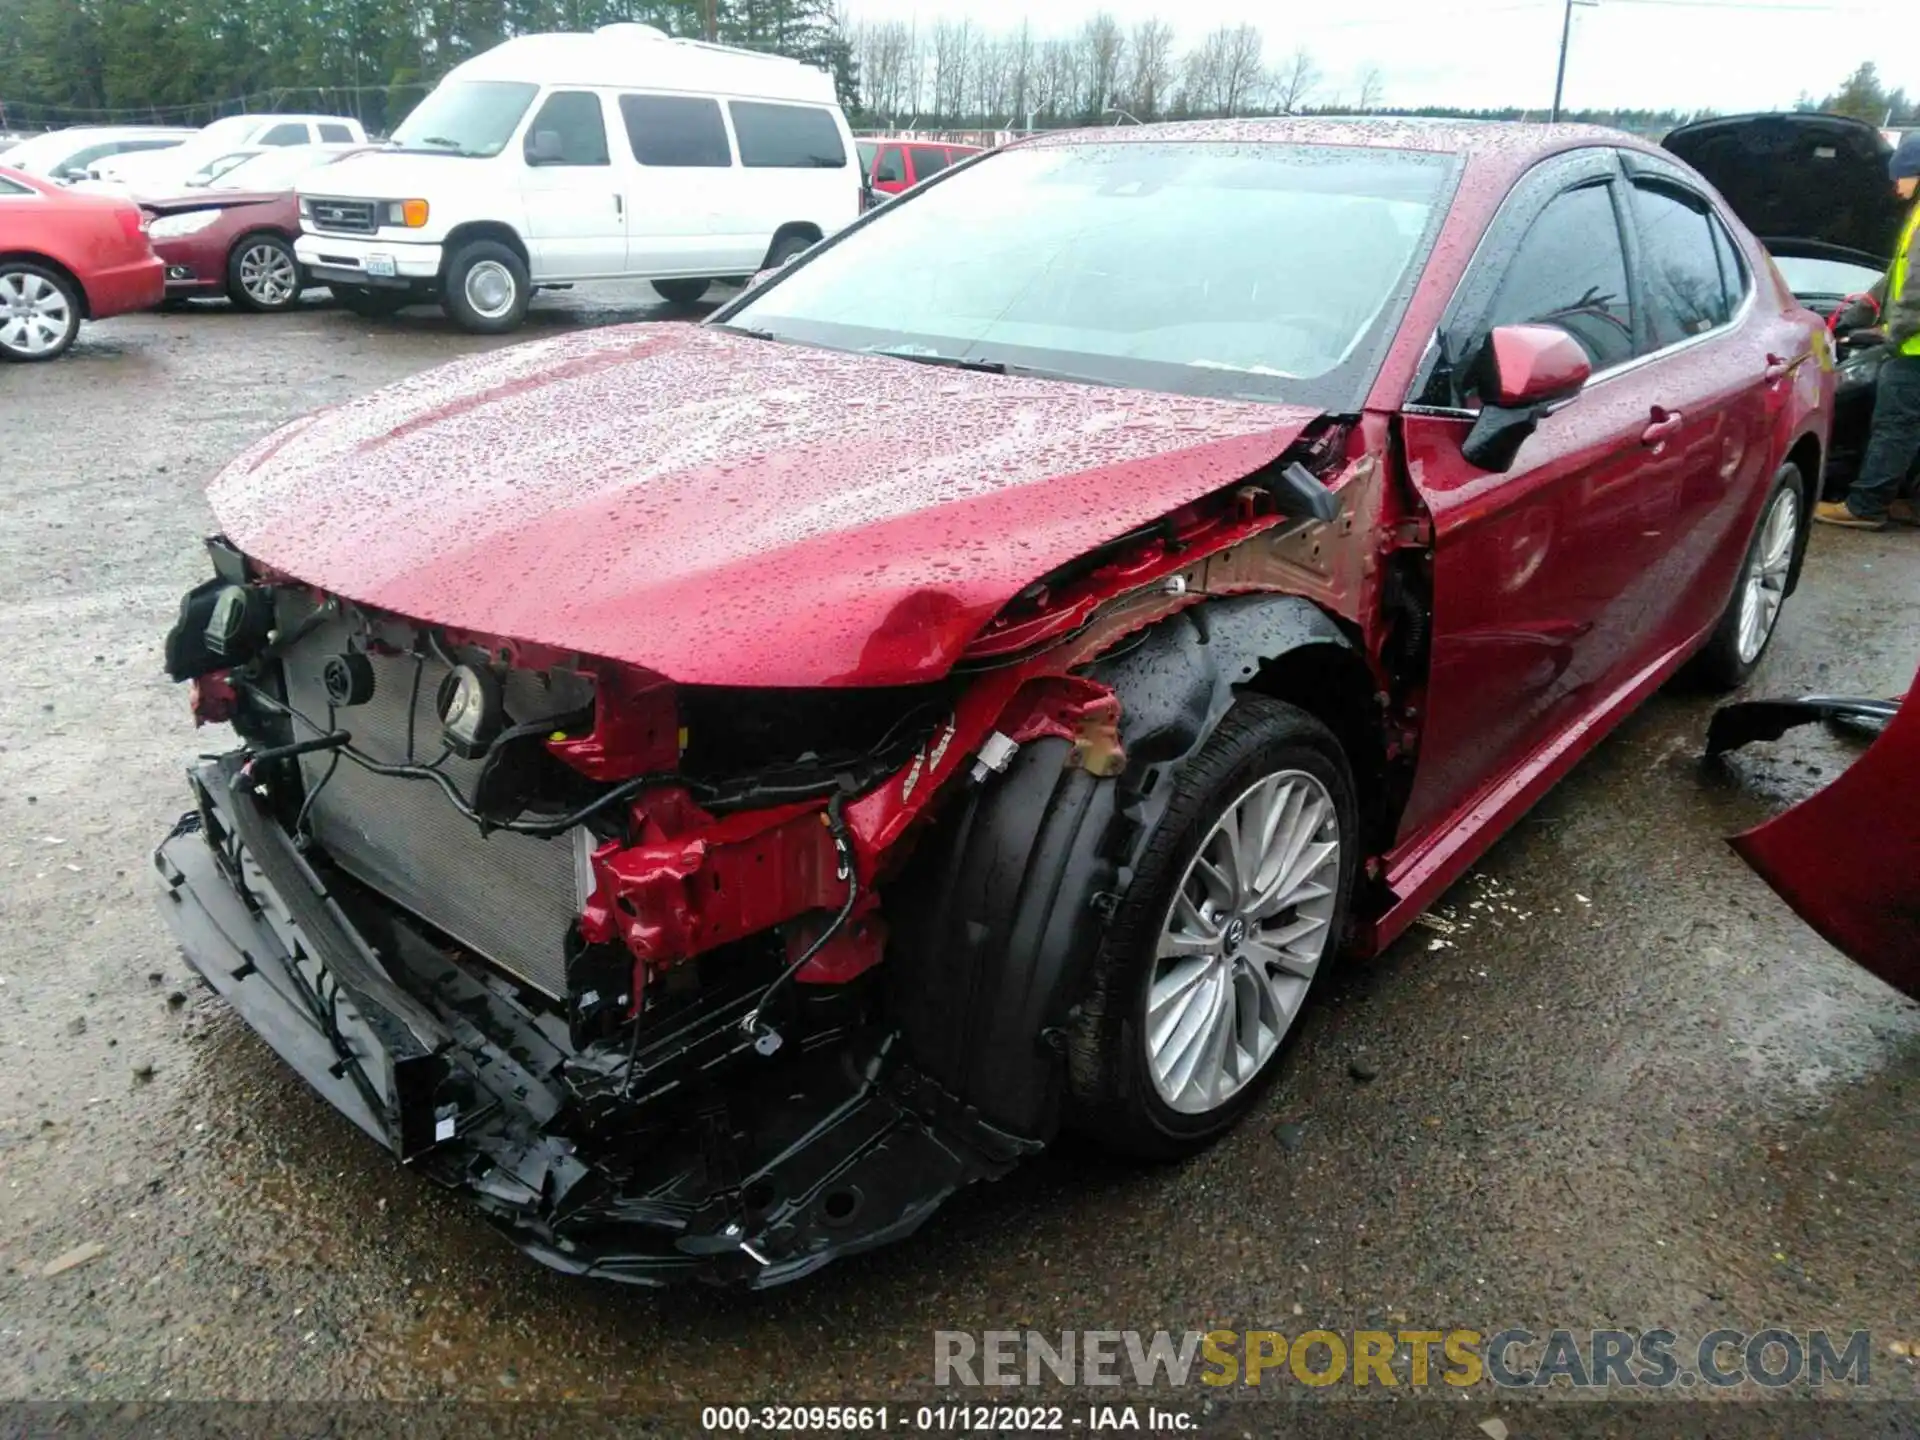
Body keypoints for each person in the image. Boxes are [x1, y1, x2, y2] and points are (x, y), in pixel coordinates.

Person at [1816, 131, 1920, 531]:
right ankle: (1909, 501)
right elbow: (1894, 279)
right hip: (1910, 344)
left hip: (1912, 351)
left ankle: (1865, 506)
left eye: (1900, 177)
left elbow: (1915, 292)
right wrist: (1856, 315)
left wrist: (1891, 336)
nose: (1895, 185)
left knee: (1895, 427)